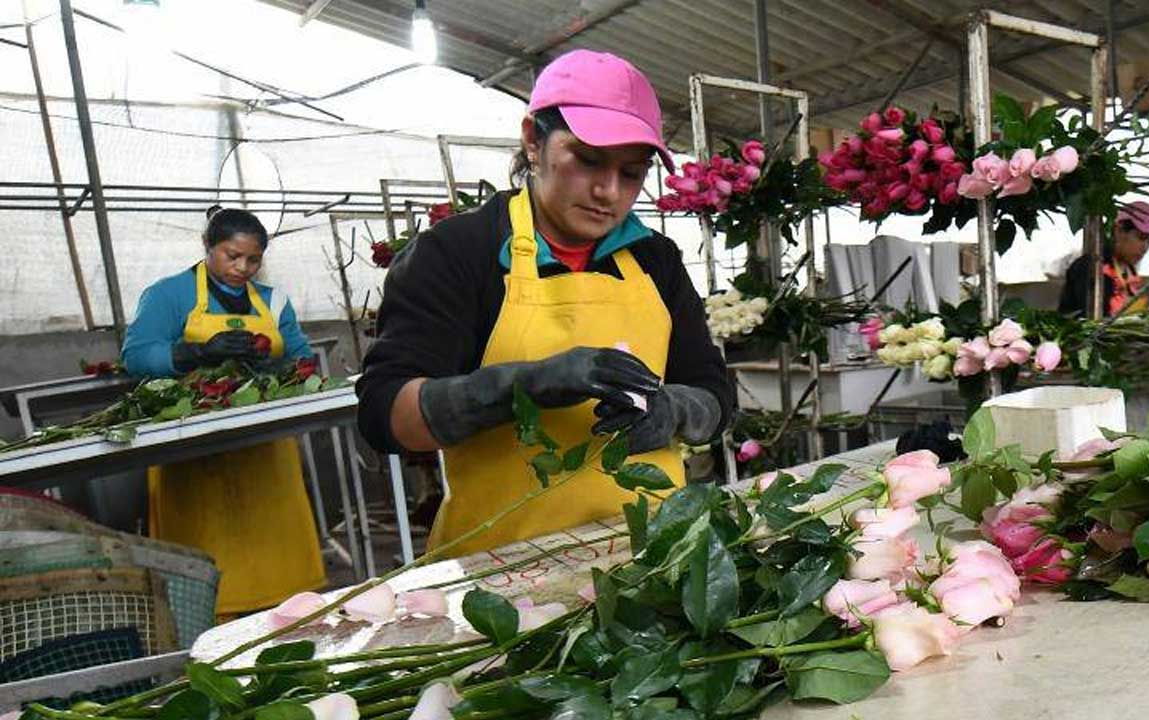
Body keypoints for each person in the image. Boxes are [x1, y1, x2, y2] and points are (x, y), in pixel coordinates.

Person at [357, 49, 732, 559]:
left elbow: (715, 392)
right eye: (588, 160)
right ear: (533, 140)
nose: (608, 191)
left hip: (653, 557)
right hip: (504, 572)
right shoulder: (459, 253)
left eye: (632, 173)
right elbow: (385, 415)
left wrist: (676, 409)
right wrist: (519, 388)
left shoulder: (655, 260)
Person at [122, 206, 325, 616]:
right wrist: (195, 352)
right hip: (192, 445)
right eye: (232, 255)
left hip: (263, 446)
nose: (242, 267)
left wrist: (278, 367)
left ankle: (292, 616)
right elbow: (137, 356)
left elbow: (301, 357)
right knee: (206, 553)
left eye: (253, 259)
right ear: (208, 246)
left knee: (278, 555)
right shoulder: (169, 294)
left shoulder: (273, 301)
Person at [1059, 200, 1149, 317]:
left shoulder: (1129, 270)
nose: (1145, 247)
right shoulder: (1091, 267)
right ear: (1118, 230)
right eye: (1141, 238)